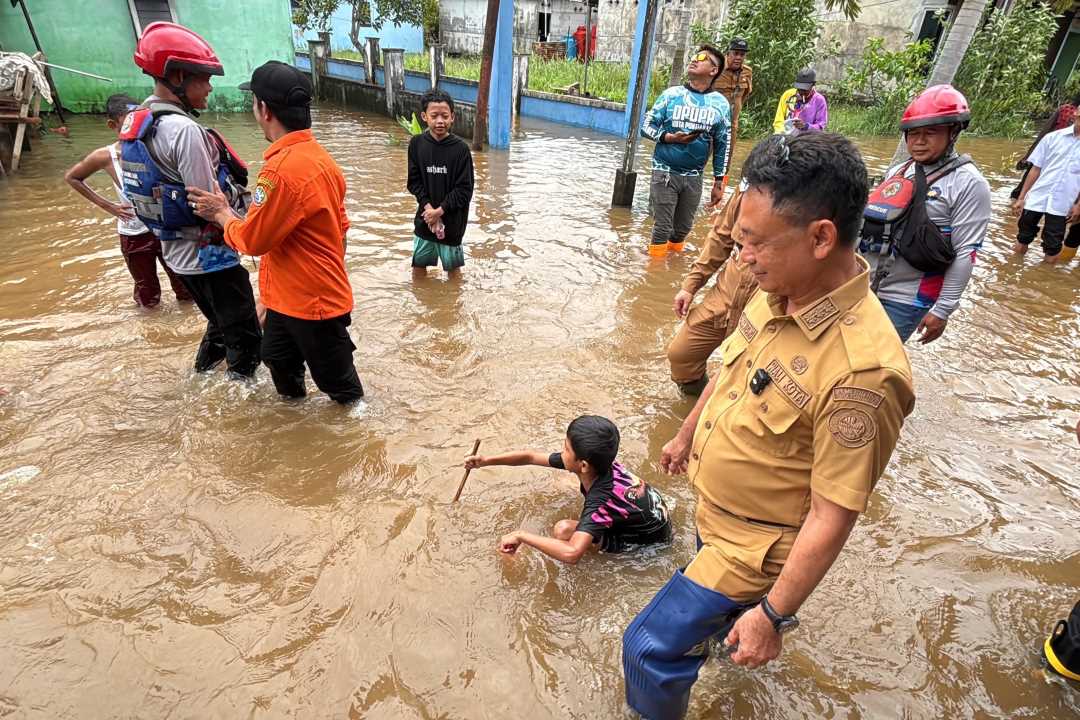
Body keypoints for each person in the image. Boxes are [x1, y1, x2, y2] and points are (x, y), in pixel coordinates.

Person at [622, 133, 916, 720]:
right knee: (723, 632)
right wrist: (686, 434)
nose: (742, 258)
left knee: (648, 648)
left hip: (757, 547)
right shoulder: (776, 289)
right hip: (721, 517)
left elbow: (834, 515)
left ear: (821, 237)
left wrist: (775, 617)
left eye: (753, 243)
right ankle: (738, 635)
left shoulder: (864, 373)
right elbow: (733, 369)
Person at [187, 61, 364, 404]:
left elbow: (253, 240)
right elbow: (339, 232)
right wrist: (273, 296)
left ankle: (360, 441)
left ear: (264, 108)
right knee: (279, 360)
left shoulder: (281, 172)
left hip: (313, 305)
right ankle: (300, 437)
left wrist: (222, 213)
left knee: (343, 390)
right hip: (291, 299)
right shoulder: (322, 159)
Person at [121, 22, 261, 377]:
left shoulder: (139, 122)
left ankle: (198, 381)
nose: (211, 88)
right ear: (179, 76)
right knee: (246, 342)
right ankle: (239, 417)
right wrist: (250, 232)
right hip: (211, 259)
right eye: (205, 78)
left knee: (218, 325)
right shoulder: (184, 131)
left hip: (176, 255)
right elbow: (208, 203)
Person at [858, 85, 991, 344]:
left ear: (953, 133)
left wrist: (942, 309)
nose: (919, 141)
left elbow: (966, 252)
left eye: (930, 133)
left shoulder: (969, 184)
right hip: (866, 284)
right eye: (913, 134)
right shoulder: (898, 171)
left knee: (874, 365)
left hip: (907, 298)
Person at [463, 416, 672, 563]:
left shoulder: (600, 500)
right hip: (647, 514)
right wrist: (485, 461)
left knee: (563, 530)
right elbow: (529, 457)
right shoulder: (599, 463)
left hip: (645, 544)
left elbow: (572, 554)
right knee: (562, 483)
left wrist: (521, 536)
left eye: (566, 449)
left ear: (583, 465)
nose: (561, 453)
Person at [64, 93, 192, 308]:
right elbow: (72, 177)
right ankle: (150, 333)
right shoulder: (106, 156)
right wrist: (108, 206)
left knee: (184, 284)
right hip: (134, 232)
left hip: (165, 228)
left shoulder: (154, 148)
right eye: (127, 122)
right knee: (146, 293)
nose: (135, 127)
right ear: (113, 124)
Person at [666, 183, 758, 395]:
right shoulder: (748, 187)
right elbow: (721, 236)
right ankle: (697, 404)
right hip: (727, 293)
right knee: (682, 355)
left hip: (765, 302)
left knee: (744, 376)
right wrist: (690, 286)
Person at [640, 45, 731, 257]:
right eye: (694, 56)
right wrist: (669, 138)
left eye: (702, 58)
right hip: (664, 171)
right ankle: (654, 274)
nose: (694, 59)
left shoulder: (720, 104)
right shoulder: (671, 95)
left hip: (694, 176)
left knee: (682, 229)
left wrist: (719, 182)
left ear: (713, 70)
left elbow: (722, 144)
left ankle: (670, 267)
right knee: (662, 227)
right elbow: (646, 126)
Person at [406, 89, 475, 279]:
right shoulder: (416, 144)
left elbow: (464, 190)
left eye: (445, 116)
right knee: (418, 269)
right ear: (424, 116)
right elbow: (414, 182)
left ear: (452, 117)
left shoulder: (461, 150)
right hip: (425, 221)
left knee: (453, 274)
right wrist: (429, 211)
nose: (439, 121)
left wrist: (439, 212)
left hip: (451, 225)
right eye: (434, 116)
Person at [1011, 109, 1080, 264]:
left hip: (1063, 202)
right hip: (1037, 196)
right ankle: (1013, 269)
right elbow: (1035, 169)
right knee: (1023, 237)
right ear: (1075, 114)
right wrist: (1021, 198)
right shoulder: (1052, 138)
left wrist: (1078, 205)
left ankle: (1045, 279)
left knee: (1053, 245)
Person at [1010, 93, 1078, 200]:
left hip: (1066, 160)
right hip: (1050, 152)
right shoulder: (1064, 110)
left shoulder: (1065, 109)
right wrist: (1029, 155)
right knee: (1026, 185)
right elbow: (1045, 133)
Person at [713, 37, 753, 176]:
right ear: (728, 53)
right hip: (711, 122)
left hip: (731, 125)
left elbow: (745, 94)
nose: (738, 57)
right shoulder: (716, 68)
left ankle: (719, 193)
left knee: (725, 162)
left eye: (742, 55)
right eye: (735, 53)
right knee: (700, 155)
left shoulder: (747, 72)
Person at [772, 68, 827, 135]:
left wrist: (806, 126)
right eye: (799, 89)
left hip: (808, 138)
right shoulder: (788, 95)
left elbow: (821, 126)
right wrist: (782, 133)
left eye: (805, 90)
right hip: (785, 135)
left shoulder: (819, 100)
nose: (801, 92)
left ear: (813, 85)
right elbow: (778, 120)